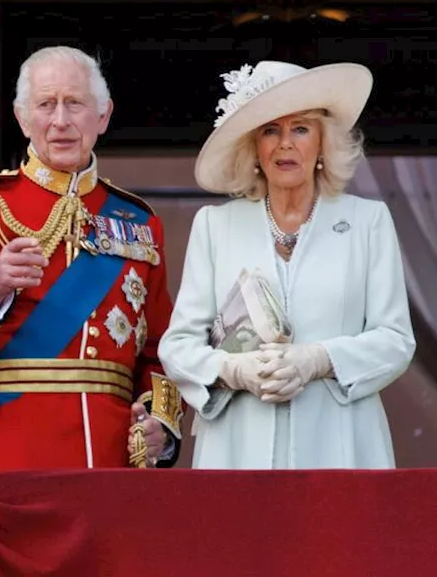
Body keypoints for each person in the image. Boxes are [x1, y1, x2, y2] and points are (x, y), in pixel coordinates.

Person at [0, 46, 184, 471]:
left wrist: (159, 428)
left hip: (109, 461)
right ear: (22, 118)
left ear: (103, 115)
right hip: (7, 452)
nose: (60, 121)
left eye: (75, 103)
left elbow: (160, 351)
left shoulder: (139, 222)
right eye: (45, 104)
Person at [158, 60, 415, 469]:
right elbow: (177, 347)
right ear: (253, 147)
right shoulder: (215, 225)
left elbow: (396, 340)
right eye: (270, 130)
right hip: (236, 452)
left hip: (341, 448)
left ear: (322, 143)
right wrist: (234, 369)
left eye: (300, 128)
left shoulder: (368, 221)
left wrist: (317, 359)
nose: (284, 144)